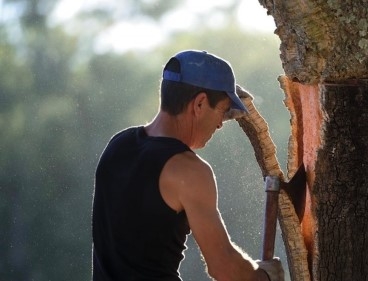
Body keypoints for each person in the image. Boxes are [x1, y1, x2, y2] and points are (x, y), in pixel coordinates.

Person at [92, 50, 284, 281]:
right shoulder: (189, 171)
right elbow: (223, 267)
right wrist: (264, 277)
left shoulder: (117, 146)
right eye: (223, 112)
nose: (221, 124)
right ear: (200, 103)